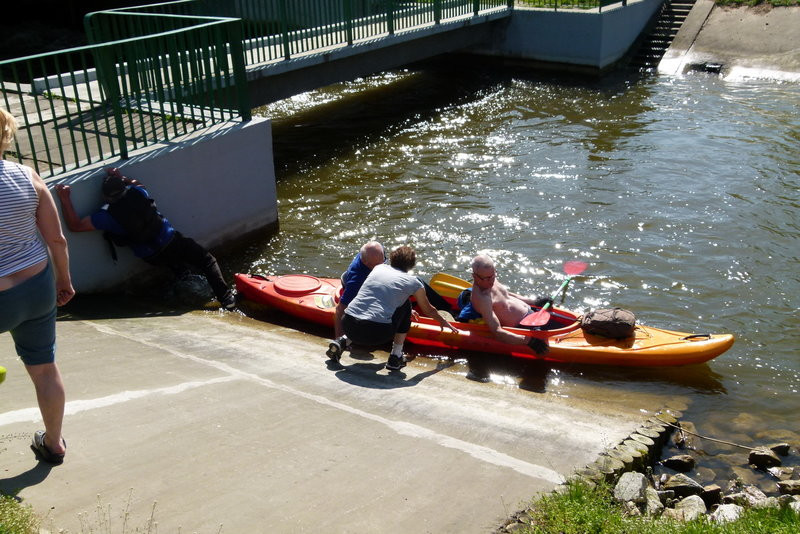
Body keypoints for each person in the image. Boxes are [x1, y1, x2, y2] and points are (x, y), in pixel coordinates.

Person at [1, 107, 74, 464]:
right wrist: (64, 281)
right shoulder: (27, 176)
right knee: (44, 368)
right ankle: (54, 444)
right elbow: (57, 240)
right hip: (35, 286)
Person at [55, 168, 236, 310]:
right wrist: (121, 176)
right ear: (124, 189)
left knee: (172, 260)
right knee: (206, 260)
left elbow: (75, 226)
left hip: (151, 257)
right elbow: (137, 183)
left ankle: (183, 276)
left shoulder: (106, 216)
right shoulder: (137, 192)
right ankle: (226, 299)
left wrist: (65, 199)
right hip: (172, 242)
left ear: (105, 197)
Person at [340, 245, 458, 370]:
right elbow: (428, 309)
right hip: (377, 335)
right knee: (406, 305)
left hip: (347, 324)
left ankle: (341, 341)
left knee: (370, 301)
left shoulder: (378, 268)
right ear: (412, 265)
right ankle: (396, 356)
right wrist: (443, 321)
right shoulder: (414, 282)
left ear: (391, 259)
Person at [461, 254, 550, 355]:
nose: (491, 280)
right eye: (487, 278)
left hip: (534, 315)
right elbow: (497, 331)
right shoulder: (482, 299)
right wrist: (529, 341)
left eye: (493, 275)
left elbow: (507, 295)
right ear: (474, 276)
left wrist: (534, 302)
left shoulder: (490, 278)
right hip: (525, 328)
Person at [327, 240, 386, 359]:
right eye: (378, 265)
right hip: (358, 292)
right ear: (365, 262)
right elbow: (340, 309)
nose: (383, 266)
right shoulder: (358, 281)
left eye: (383, 261)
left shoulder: (374, 251)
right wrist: (340, 339)